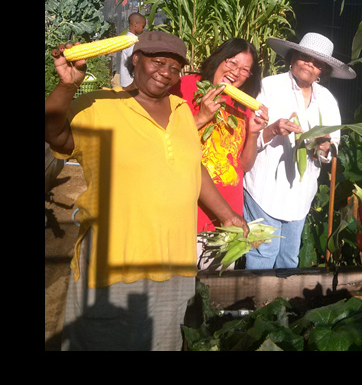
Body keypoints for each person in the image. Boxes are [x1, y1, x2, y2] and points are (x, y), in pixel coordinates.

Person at [44, 31, 248, 351]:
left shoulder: (182, 111)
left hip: (175, 267)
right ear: (136, 59)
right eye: (158, 61)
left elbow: (191, 166)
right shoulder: (99, 105)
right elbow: (55, 136)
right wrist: (68, 85)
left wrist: (227, 213)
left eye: (174, 66)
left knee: (162, 344)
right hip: (114, 265)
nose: (165, 72)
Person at [243, 32, 356, 270]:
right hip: (264, 188)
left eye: (317, 63)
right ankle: (254, 305)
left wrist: (324, 146)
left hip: (299, 193)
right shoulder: (270, 86)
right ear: (293, 58)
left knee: (289, 258)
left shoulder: (327, 100)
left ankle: (282, 306)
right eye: (305, 58)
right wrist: (273, 129)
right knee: (263, 253)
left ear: (322, 71)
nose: (310, 65)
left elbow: (330, 149)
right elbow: (250, 135)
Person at [169, 39, 269, 270]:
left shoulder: (242, 106)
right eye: (232, 62)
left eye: (244, 70)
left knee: (212, 294)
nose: (236, 73)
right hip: (186, 210)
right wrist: (201, 117)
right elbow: (164, 141)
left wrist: (253, 133)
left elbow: (243, 165)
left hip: (227, 216)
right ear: (218, 58)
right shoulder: (185, 86)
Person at [118, 12, 146, 87]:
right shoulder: (131, 42)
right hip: (129, 81)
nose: (143, 29)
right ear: (135, 24)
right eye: (143, 26)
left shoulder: (128, 38)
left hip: (126, 81)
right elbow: (134, 60)